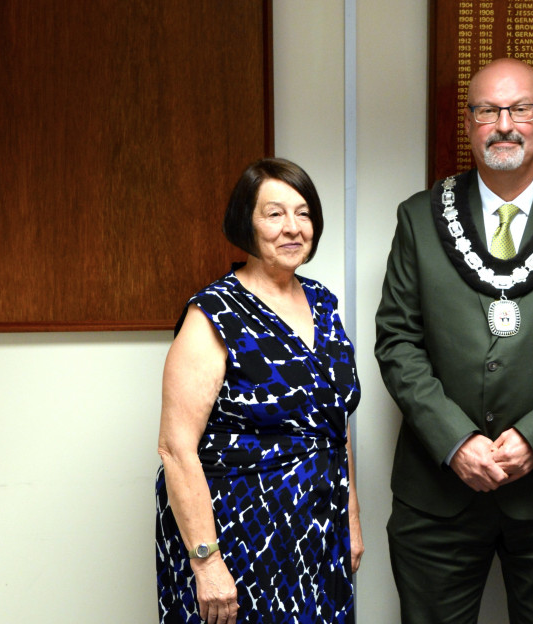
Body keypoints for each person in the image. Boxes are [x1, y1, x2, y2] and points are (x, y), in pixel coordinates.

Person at [375, 58, 533, 624]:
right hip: (435, 493)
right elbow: (397, 341)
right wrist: (456, 440)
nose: (504, 124)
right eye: (488, 110)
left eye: (520, 109)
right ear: (467, 122)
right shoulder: (419, 219)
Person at [155, 158, 363, 624]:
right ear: (246, 224)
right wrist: (206, 563)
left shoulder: (324, 303)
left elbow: (335, 424)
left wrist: (349, 519)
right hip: (239, 538)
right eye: (274, 214)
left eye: (304, 213)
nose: (292, 228)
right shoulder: (213, 313)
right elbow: (175, 448)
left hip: (319, 531)